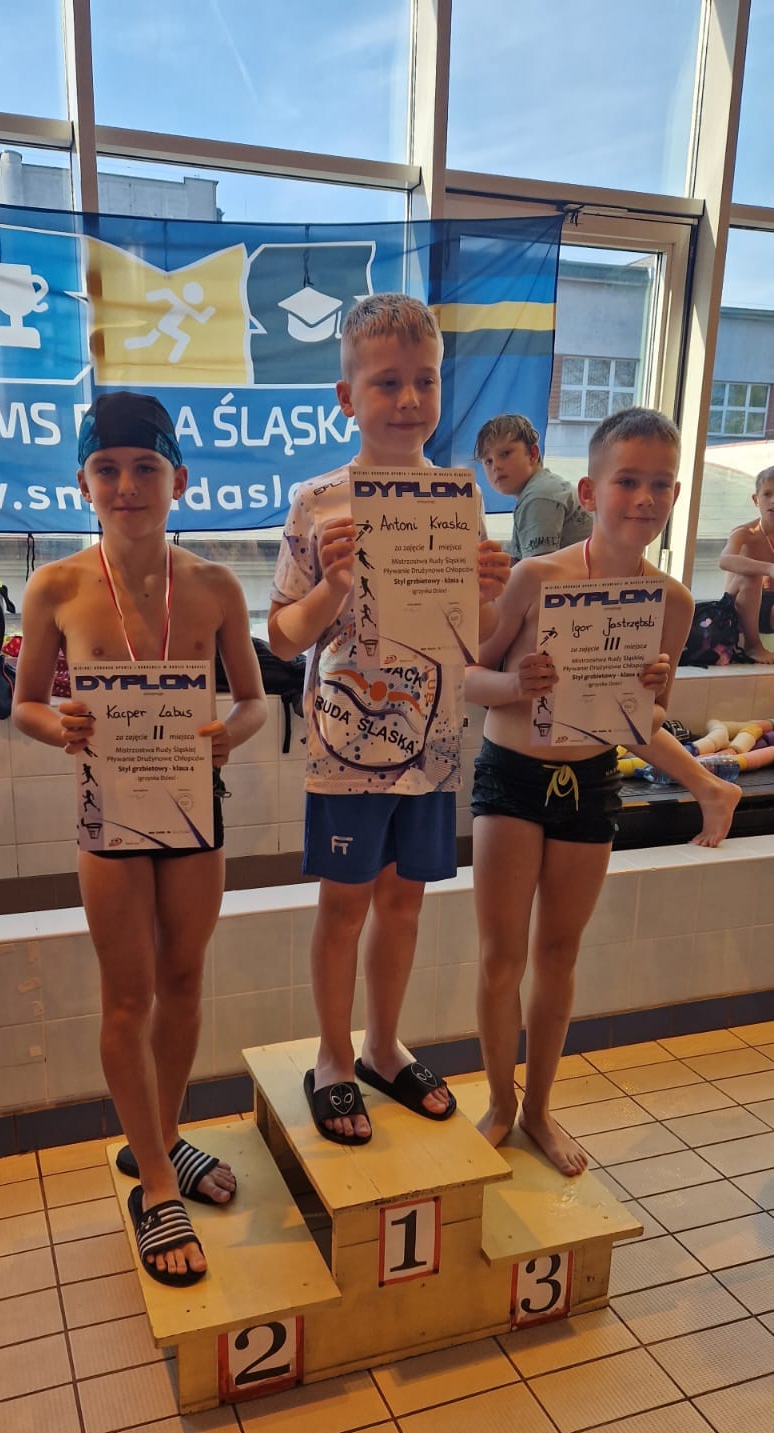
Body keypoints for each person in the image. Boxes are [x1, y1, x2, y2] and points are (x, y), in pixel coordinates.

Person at [13, 391, 266, 1286]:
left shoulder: (216, 586)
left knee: (185, 979)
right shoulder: (56, 587)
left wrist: (233, 733)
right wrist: (61, 726)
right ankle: (156, 1185)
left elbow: (254, 698)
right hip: (110, 817)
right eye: (108, 469)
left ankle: (159, 1137)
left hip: (193, 812)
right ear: (83, 482)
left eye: (145, 468)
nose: (127, 485)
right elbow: (25, 704)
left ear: (179, 481)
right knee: (128, 998)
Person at [465, 407, 739, 1177]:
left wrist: (652, 689)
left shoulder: (672, 603)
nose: (644, 498)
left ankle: (540, 1110)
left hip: (589, 782)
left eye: (660, 484)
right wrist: (515, 684)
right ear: (590, 491)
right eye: (627, 481)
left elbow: (645, 719)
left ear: (677, 494)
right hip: (512, 776)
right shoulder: (537, 577)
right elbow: (468, 674)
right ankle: (499, 1103)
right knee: (500, 956)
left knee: (558, 955)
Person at [268, 292, 510, 1144]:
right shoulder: (317, 501)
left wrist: (489, 592)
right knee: (344, 906)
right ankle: (333, 1056)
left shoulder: (460, 498)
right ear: (348, 397)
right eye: (386, 383)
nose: (409, 400)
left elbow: (478, 638)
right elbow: (283, 635)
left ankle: (381, 1045)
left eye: (425, 380)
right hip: (348, 746)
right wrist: (334, 586)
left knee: (404, 903)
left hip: (434, 741)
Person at [474, 412, 592, 561]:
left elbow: (538, 571)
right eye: (488, 461)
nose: (496, 466)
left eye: (505, 454)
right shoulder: (541, 488)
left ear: (532, 454)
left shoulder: (539, 496)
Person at [718, 465, 774, 663]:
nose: (773, 500)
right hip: (736, 606)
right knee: (751, 575)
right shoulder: (745, 533)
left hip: (769, 608)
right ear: (756, 499)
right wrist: (768, 568)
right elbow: (724, 560)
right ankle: (752, 645)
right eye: (767, 494)